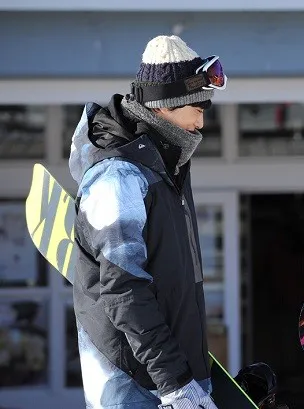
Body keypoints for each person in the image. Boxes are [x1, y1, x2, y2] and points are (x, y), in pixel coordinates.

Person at [68, 35, 227, 408]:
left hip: (171, 379)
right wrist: (174, 381)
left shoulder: (166, 168)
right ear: (164, 106)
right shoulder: (119, 177)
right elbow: (124, 291)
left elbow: (173, 287)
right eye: (197, 105)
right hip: (136, 386)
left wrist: (198, 376)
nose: (202, 118)